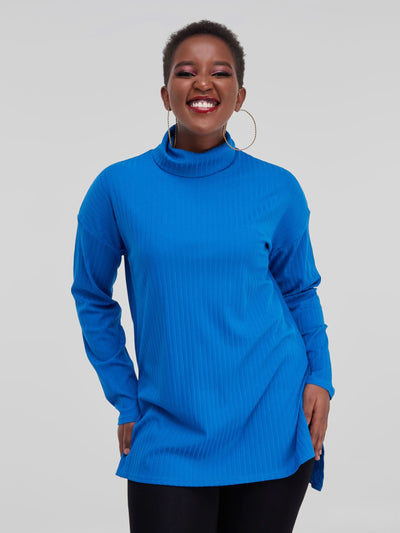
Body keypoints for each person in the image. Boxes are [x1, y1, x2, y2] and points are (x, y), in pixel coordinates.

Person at [71, 19, 335, 533]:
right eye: (186, 71)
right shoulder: (117, 187)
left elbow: (299, 291)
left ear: (240, 96)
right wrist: (126, 397)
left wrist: (320, 377)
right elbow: (91, 295)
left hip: (272, 415)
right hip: (168, 426)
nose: (203, 82)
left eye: (221, 72)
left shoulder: (278, 188)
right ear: (165, 94)